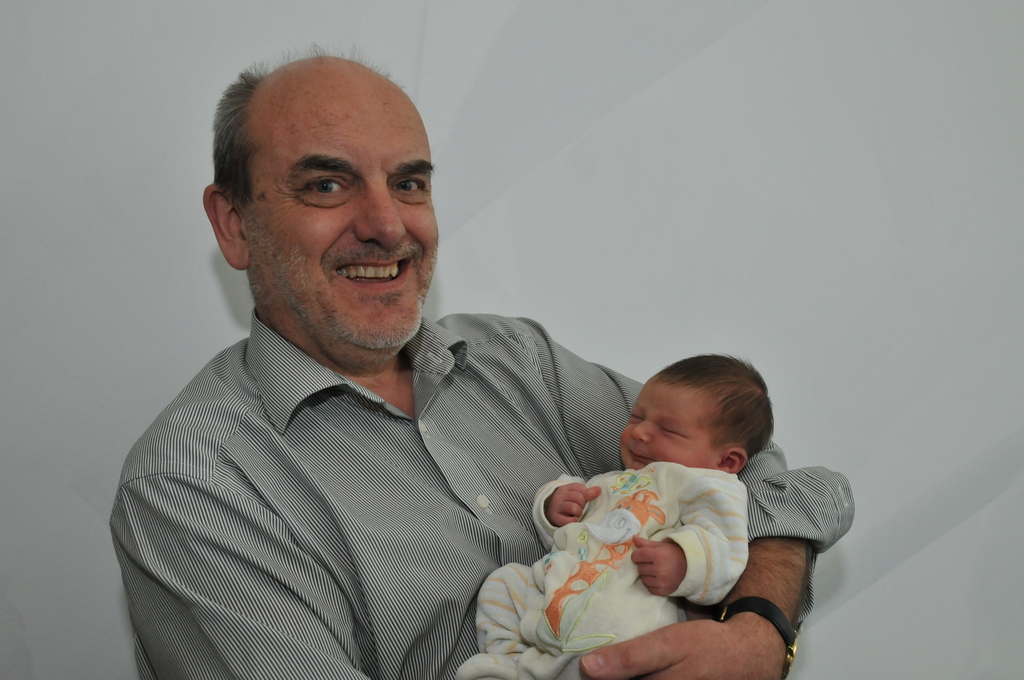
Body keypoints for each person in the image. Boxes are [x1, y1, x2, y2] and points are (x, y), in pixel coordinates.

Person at [109, 50, 854, 680]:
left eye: (409, 183)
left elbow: (758, 471)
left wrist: (759, 629)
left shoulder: (516, 359)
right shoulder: (192, 484)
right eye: (327, 185)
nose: (387, 224)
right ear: (234, 224)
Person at [458, 355, 770, 680]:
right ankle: (510, 662)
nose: (640, 433)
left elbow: (726, 547)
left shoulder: (705, 485)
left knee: (617, 627)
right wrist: (555, 504)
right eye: (636, 417)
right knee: (505, 582)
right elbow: (564, 536)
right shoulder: (610, 480)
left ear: (727, 461)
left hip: (630, 609)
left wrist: (684, 561)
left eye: (667, 429)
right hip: (561, 588)